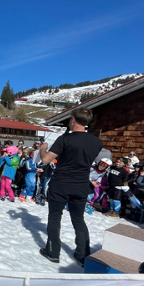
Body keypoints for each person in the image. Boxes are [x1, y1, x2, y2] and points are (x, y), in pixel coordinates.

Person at [38, 108, 103, 266]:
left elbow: (46, 159)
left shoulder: (65, 138)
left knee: (54, 217)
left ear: (73, 120)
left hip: (61, 184)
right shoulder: (97, 142)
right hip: (81, 185)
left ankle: (53, 251)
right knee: (78, 219)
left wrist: (42, 148)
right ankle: (83, 255)